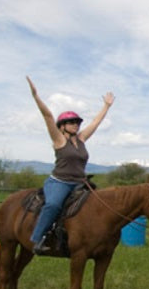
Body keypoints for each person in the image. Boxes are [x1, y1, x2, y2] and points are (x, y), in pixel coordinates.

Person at [27, 76, 115, 255]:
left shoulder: (81, 139)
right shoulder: (58, 140)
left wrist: (106, 106)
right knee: (53, 205)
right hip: (59, 182)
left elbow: (96, 123)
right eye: (72, 122)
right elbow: (47, 116)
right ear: (62, 126)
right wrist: (36, 96)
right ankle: (37, 239)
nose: (76, 124)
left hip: (79, 182)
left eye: (77, 122)